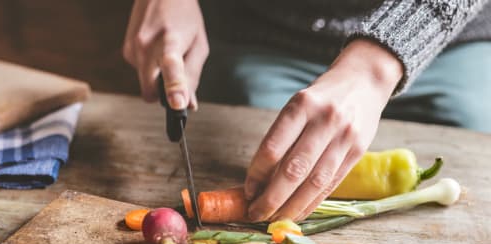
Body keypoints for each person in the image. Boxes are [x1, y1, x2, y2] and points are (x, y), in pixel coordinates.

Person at [122, 0, 491, 222]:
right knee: (266, 165)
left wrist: (375, 67)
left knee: (475, 147)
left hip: (444, 38)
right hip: (264, 34)